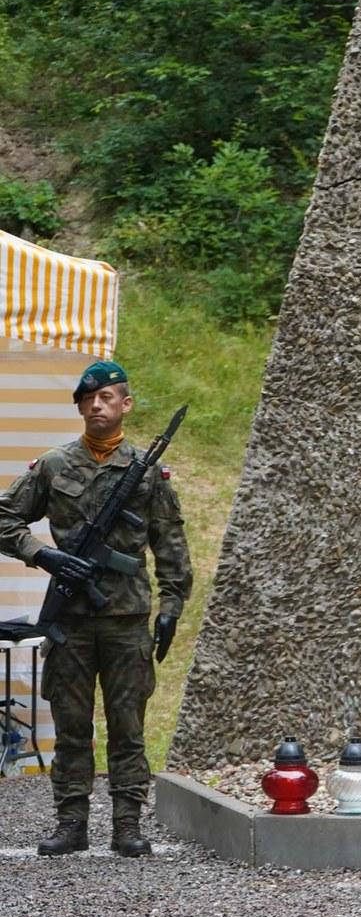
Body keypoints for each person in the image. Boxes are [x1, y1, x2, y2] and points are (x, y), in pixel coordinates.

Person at [0, 361, 190, 857]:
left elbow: (170, 541)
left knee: (128, 727)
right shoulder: (54, 465)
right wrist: (44, 555)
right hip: (72, 621)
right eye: (87, 399)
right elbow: (3, 518)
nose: (96, 405)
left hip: (127, 620)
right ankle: (71, 823)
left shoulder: (146, 471)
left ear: (126, 404)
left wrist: (171, 604)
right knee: (71, 727)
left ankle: (127, 825)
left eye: (106, 398)